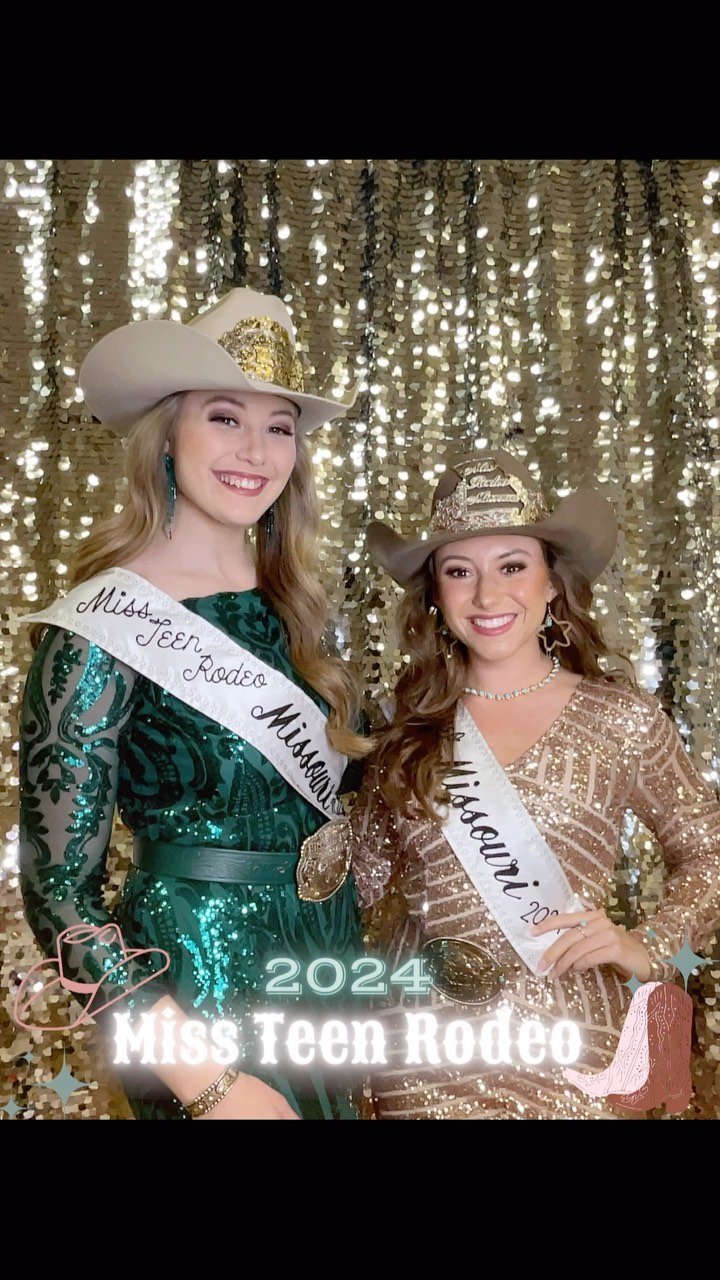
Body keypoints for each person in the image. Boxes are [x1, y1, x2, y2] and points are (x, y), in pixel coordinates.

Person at [17, 286, 372, 1120]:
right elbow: (59, 899)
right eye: (223, 417)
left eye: (278, 426)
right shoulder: (103, 626)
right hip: (199, 992)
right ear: (166, 436)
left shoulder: (298, 612)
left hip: (320, 973)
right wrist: (203, 1082)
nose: (256, 449)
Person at [299, 447, 720, 1119]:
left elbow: (710, 851)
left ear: (553, 583)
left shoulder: (622, 721)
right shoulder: (408, 731)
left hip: (576, 1054)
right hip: (420, 1056)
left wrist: (651, 946)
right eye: (459, 572)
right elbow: (359, 888)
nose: (488, 596)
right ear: (435, 594)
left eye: (513, 567)